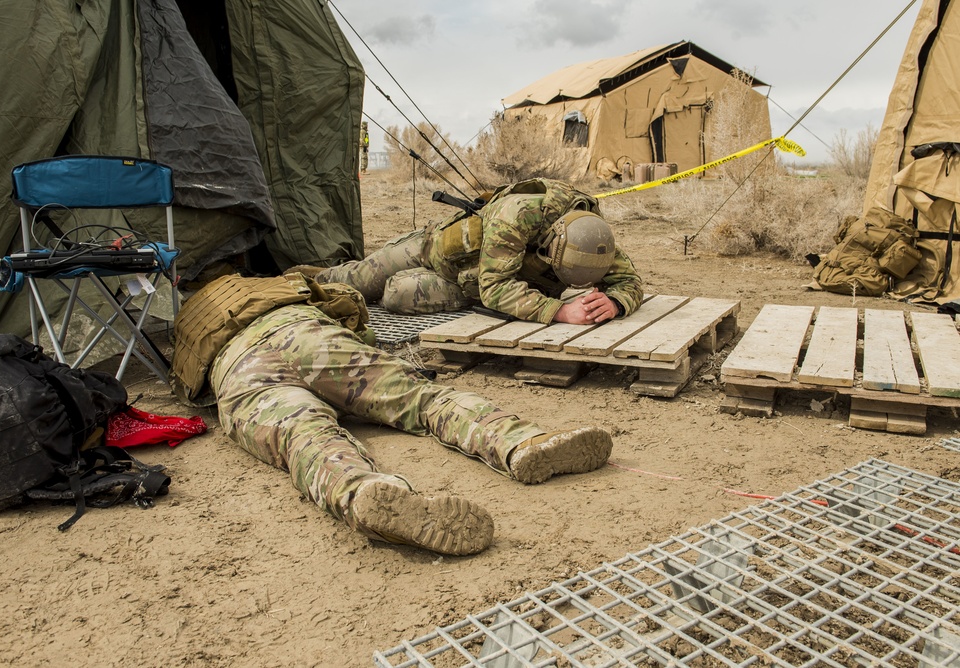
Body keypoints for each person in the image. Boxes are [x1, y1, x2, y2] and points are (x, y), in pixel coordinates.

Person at [171, 272, 614, 556]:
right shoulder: (277, 285)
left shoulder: (185, 331)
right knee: (422, 400)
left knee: (303, 437)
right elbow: (347, 305)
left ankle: (362, 492)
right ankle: (519, 442)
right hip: (302, 332)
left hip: (235, 367)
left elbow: (191, 392)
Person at [313, 177, 644, 325]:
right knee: (351, 279)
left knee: (397, 295)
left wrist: (614, 303)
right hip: (433, 250)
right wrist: (560, 311)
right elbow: (497, 287)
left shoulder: (590, 238)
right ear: (550, 243)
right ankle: (295, 276)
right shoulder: (519, 215)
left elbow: (630, 282)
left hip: (468, 284)